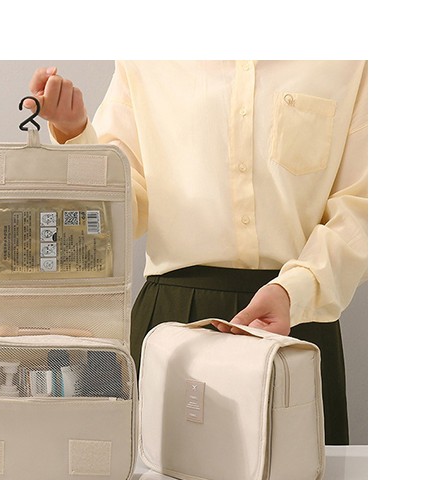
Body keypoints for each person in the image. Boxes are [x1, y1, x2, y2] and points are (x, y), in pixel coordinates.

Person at [26, 61, 368, 445]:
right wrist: (74, 134)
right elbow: (118, 217)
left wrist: (297, 291)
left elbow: (363, 209)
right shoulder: (146, 59)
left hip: (296, 322)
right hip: (174, 322)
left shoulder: (349, 60)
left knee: (308, 478)